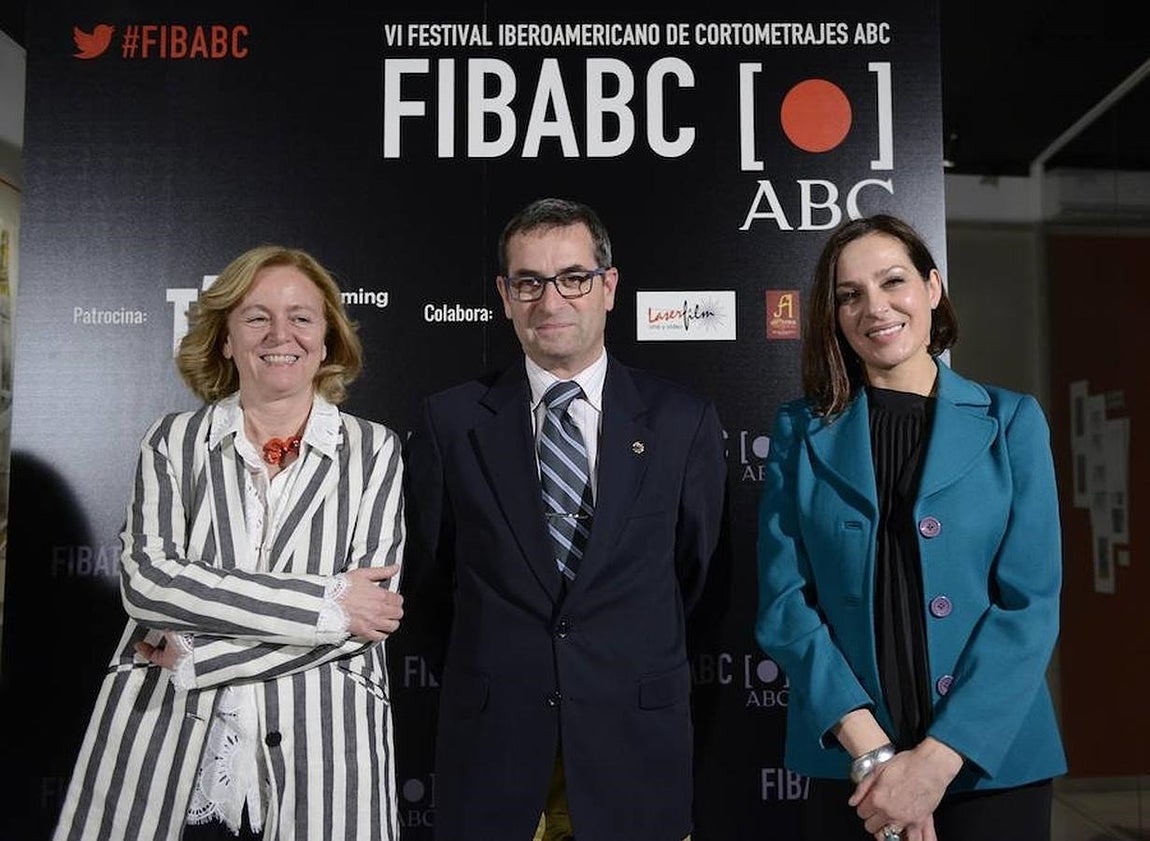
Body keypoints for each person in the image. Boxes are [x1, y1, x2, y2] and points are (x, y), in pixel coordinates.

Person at [53, 245, 406, 841]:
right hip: (164, 724)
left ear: (326, 341)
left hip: (326, 734)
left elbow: (366, 618)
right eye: (256, 317)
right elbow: (149, 584)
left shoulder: (375, 449)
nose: (280, 335)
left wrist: (199, 655)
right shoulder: (172, 441)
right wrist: (326, 601)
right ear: (225, 339)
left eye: (301, 317)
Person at [404, 197, 727, 841]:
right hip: (495, 753)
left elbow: (700, 581)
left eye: (573, 278)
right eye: (529, 282)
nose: (550, 301)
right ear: (505, 295)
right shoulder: (450, 422)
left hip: (634, 750)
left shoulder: (681, 421)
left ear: (609, 286)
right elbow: (430, 586)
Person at [755, 214, 1066, 841]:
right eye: (850, 294)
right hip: (853, 772)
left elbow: (1029, 606)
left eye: (893, 281)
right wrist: (874, 755)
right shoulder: (799, 430)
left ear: (932, 287)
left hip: (992, 767)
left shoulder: (1012, 421)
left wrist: (934, 763)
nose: (875, 307)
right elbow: (785, 604)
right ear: (834, 316)